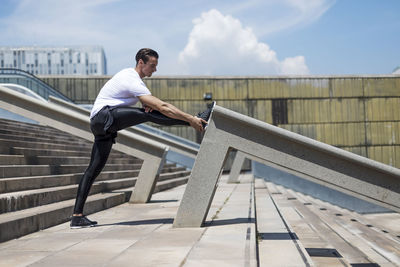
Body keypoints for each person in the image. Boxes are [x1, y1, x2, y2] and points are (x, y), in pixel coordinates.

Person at [70, 48, 215, 228]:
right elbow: (162, 106)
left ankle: (77, 216)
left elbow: (146, 104)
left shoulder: (133, 80)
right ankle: (199, 120)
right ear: (141, 63)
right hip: (104, 116)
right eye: (152, 65)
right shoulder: (130, 77)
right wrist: (190, 119)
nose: (154, 70)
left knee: (93, 169)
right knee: (150, 113)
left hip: (101, 124)